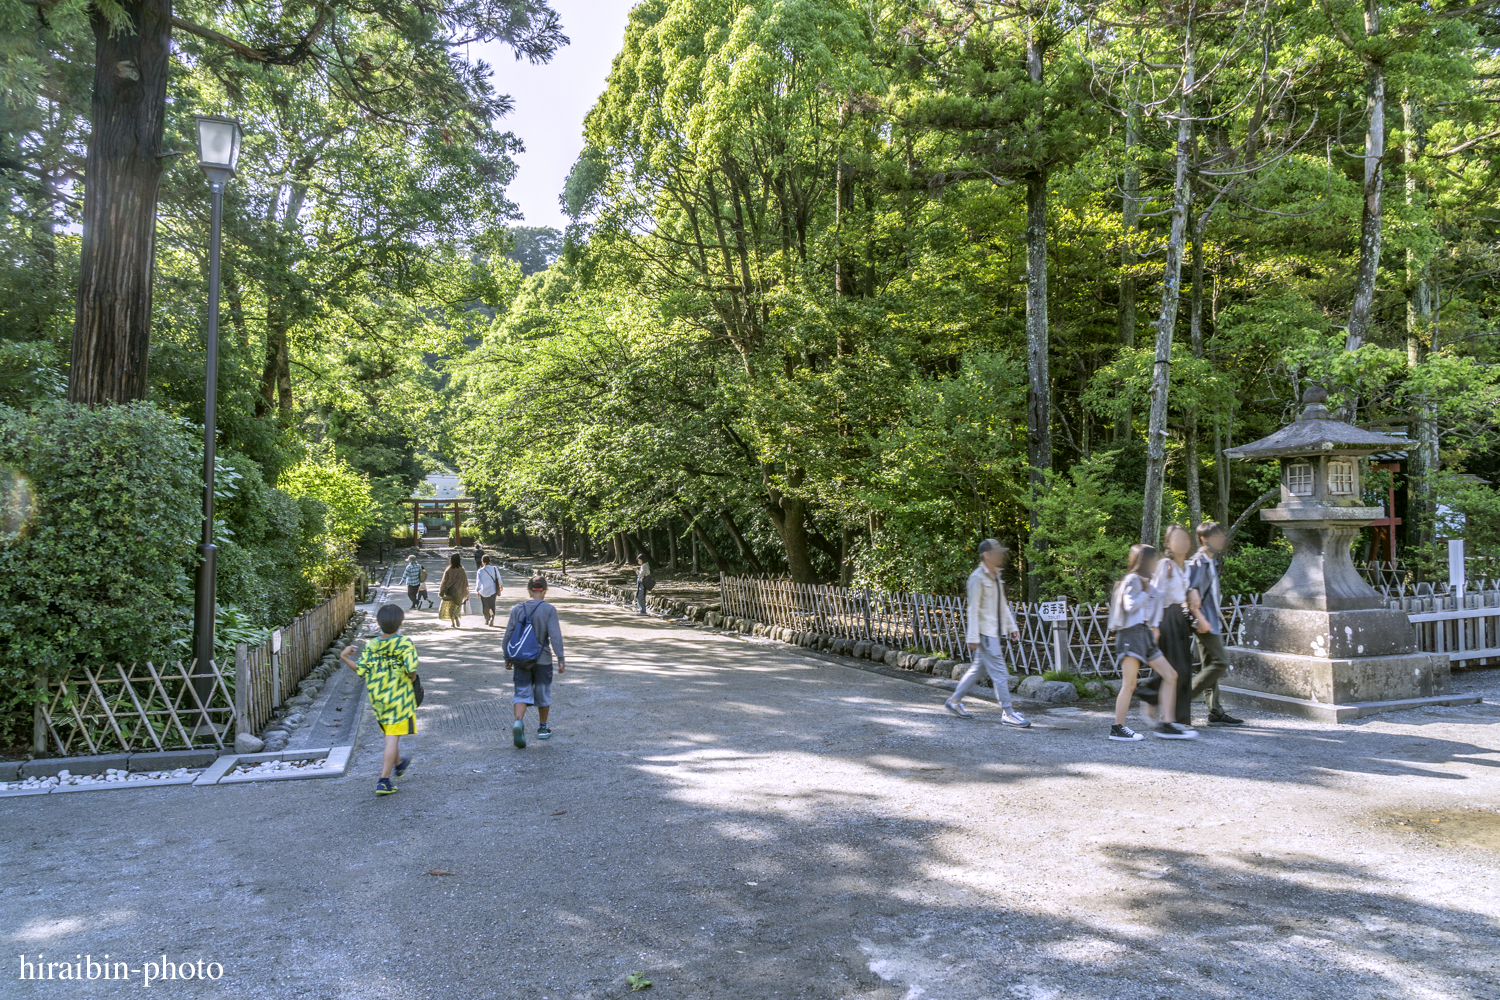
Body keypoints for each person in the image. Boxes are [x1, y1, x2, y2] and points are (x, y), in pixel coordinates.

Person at [1108, 544, 1197, 741]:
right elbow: (1130, 606)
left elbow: (1159, 602)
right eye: (1152, 558)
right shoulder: (1132, 579)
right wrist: (1146, 591)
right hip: (1130, 634)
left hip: (1145, 635)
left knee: (1171, 674)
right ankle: (1117, 727)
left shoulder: (1147, 581)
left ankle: (1166, 723)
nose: (1155, 561)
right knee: (1129, 684)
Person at [945, 539, 1030, 727]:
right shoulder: (977, 578)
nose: (1001, 555)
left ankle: (954, 701)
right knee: (1000, 673)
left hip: (993, 631)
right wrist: (973, 637)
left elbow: (1002, 605)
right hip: (985, 633)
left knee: (977, 670)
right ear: (987, 555)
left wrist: (1012, 626)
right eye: (997, 552)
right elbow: (973, 609)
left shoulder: (996, 576)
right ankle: (1008, 713)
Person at [340, 603, 418, 796]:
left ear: (379, 623)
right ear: (401, 622)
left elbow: (361, 670)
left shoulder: (372, 645)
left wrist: (344, 656)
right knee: (392, 737)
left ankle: (399, 764)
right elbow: (411, 671)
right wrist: (411, 679)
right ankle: (383, 780)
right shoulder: (405, 643)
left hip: (378, 698)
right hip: (399, 698)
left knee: (389, 733)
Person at [1187, 521, 1245, 726]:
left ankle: (1215, 711)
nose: (1221, 539)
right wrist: (1200, 620)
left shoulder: (1211, 562)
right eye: (1217, 536)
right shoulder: (1197, 562)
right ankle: (1181, 699)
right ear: (1204, 538)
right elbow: (1190, 592)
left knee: (1210, 665)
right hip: (1204, 622)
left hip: (1210, 620)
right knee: (1221, 663)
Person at [1137, 524, 1196, 724]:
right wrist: (1153, 626)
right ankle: (1156, 703)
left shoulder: (1186, 567)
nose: (1182, 542)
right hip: (1166, 617)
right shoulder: (1165, 565)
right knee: (1175, 668)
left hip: (1180, 617)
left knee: (1184, 669)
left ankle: (1178, 718)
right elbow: (1154, 596)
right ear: (1168, 543)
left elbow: (1186, 591)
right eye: (1177, 539)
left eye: (1185, 538)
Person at [503, 575, 566, 749]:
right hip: (542, 658)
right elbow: (555, 636)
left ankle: (518, 721)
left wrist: (507, 656)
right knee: (543, 692)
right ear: (544, 591)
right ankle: (542, 728)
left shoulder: (518, 609)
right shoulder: (549, 610)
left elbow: (508, 634)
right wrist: (560, 658)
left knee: (521, 692)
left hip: (521, 658)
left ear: (529, 590)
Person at [437, 552, 468, 628]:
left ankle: (453, 622)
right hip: (459, 591)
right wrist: (466, 593)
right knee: (457, 606)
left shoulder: (448, 570)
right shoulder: (462, 570)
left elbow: (444, 582)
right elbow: (465, 581)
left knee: (450, 608)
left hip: (450, 591)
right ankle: (457, 616)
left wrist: (441, 592)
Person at [475, 553, 504, 627]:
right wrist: (500, 585)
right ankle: (492, 617)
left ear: (482, 561)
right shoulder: (494, 568)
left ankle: (487, 619)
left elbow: (479, 581)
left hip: (483, 591)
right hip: (492, 590)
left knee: (485, 605)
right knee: (492, 605)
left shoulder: (480, 571)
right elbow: (498, 578)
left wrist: (477, 590)